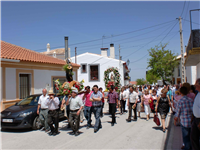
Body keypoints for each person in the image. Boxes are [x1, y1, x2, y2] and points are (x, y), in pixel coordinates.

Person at [190, 78, 200, 150]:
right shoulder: (198, 93)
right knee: (193, 137)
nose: (195, 86)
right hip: (196, 119)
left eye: (196, 84)